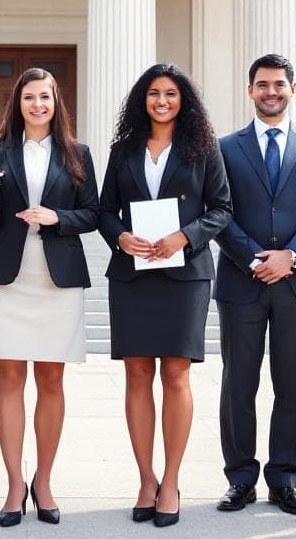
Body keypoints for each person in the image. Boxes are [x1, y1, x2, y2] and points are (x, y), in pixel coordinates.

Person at [98, 64, 232, 527]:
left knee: (176, 375)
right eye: (154, 93)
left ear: (184, 100)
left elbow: (222, 208)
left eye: (171, 94)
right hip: (133, 274)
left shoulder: (203, 149)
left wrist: (186, 236)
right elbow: (104, 211)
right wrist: (119, 237)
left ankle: (172, 480)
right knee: (137, 374)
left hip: (185, 274)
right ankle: (145, 479)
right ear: (143, 99)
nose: (162, 101)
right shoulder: (123, 150)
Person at [213, 53, 296, 516]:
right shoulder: (225, 147)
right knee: (238, 384)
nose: (271, 92)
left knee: (293, 386)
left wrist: (291, 256)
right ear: (250, 91)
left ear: (292, 90)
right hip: (241, 280)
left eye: (279, 85)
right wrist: (254, 258)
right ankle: (240, 479)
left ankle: (285, 479)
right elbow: (219, 211)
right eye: (263, 85)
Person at [0, 67, 99, 527]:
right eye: (29, 98)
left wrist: (55, 217)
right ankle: (12, 486)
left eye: (44, 97)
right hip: (8, 279)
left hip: (56, 278)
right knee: (9, 381)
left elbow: (92, 215)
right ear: (18, 102)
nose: (37, 105)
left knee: (50, 381)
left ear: (55, 101)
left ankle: (43, 482)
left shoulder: (77, 153)